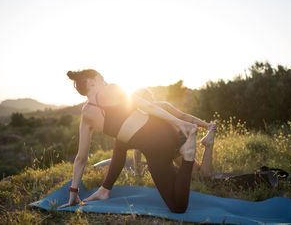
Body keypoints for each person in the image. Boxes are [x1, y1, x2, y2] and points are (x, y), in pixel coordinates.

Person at [59, 69, 211, 213]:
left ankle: (188, 157)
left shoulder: (86, 115)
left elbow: (81, 157)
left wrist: (73, 192)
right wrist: (178, 123)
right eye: (102, 79)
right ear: (91, 82)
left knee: (178, 207)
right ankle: (188, 156)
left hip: (157, 143)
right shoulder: (111, 89)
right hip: (161, 141)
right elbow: (147, 105)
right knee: (178, 206)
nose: (105, 82)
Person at [127, 88, 216, 177]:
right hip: (178, 138)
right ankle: (208, 144)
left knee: (198, 176)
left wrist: (138, 172)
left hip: (171, 145)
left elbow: (137, 149)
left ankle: (208, 145)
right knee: (201, 174)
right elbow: (183, 116)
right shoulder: (163, 106)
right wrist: (206, 125)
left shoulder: (139, 118)